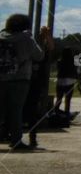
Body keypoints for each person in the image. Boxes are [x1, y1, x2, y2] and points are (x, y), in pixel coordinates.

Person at [0, 15, 46, 151]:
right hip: (20, 79)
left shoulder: (1, 36)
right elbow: (39, 56)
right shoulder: (26, 39)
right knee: (15, 111)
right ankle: (16, 140)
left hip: (1, 78)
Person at [53, 47, 78, 115]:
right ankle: (67, 112)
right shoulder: (73, 61)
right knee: (68, 99)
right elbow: (75, 71)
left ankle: (56, 110)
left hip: (60, 81)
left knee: (59, 98)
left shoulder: (60, 61)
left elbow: (59, 70)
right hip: (69, 81)